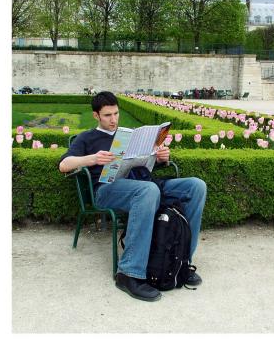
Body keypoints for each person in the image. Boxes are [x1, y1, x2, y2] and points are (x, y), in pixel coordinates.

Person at [59, 91, 207, 302]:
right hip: (106, 190)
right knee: (148, 191)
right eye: (108, 115)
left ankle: (181, 263)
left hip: (143, 184)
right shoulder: (86, 138)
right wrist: (93, 158)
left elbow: (143, 164)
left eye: (116, 114)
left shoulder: (127, 136)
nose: (113, 119)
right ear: (96, 116)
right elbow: (64, 165)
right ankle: (129, 273)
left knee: (196, 186)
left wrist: (161, 157)